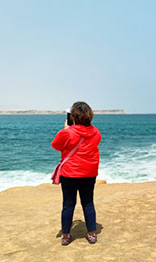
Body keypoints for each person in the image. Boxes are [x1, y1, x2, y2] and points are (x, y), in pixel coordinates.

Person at [51, 101, 102, 245]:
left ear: (73, 116)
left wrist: (66, 129)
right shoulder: (96, 132)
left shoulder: (67, 132)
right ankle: (92, 234)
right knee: (88, 202)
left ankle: (66, 236)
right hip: (89, 172)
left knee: (68, 204)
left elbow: (55, 146)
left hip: (70, 173)